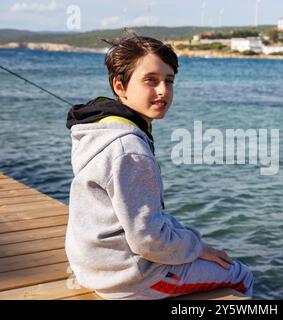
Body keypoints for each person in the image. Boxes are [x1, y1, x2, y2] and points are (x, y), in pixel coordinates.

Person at [65, 35, 254, 300]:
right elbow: (148, 241)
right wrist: (198, 248)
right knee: (239, 275)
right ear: (120, 85)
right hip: (129, 277)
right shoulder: (129, 149)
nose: (163, 90)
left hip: (95, 265)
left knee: (192, 243)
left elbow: (142, 220)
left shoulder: (101, 131)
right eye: (150, 80)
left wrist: (193, 243)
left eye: (169, 80)